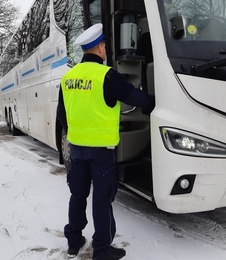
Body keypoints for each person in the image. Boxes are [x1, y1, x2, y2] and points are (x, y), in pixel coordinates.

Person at [56, 23, 155, 260]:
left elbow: (62, 114)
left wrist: (76, 133)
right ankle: (101, 249)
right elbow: (134, 97)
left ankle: (73, 239)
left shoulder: (68, 77)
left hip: (77, 150)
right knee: (102, 199)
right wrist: (155, 102)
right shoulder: (107, 76)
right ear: (100, 48)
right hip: (101, 152)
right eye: (104, 46)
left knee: (77, 195)